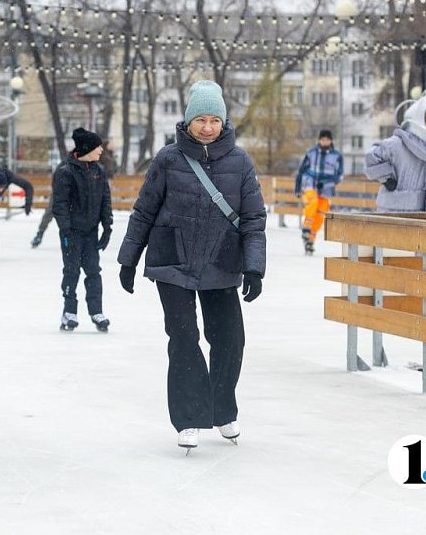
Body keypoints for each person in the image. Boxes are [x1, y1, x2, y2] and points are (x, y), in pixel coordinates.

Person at [117, 80, 266, 452]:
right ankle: (188, 416)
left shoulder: (240, 161)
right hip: (173, 261)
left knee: (230, 339)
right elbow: (145, 210)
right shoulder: (168, 159)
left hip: (221, 260)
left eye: (214, 119)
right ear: (188, 120)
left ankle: (221, 408)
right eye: (201, 119)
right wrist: (128, 259)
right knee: (184, 338)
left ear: (223, 122)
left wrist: (254, 267)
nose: (207, 127)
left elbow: (253, 219)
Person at [52, 127, 114, 332]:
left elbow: (106, 199)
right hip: (71, 233)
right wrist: (66, 230)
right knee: (71, 272)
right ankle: (68, 312)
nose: (101, 151)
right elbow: (60, 205)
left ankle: (96, 312)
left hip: (91, 232)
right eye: (98, 147)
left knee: (94, 272)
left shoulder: (98, 171)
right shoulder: (65, 172)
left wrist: (107, 227)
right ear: (87, 148)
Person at [364, 92, 426, 212]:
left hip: (416, 212)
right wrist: (386, 179)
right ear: (420, 115)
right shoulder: (396, 143)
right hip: (389, 211)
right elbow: (371, 158)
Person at [33, 140, 115, 248]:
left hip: (81, 194)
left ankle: (82, 240)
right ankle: (40, 234)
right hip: (63, 191)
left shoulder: (99, 159)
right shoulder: (69, 160)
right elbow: (57, 175)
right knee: (51, 211)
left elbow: (108, 171)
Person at [294, 129, 344, 255]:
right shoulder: (311, 153)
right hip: (310, 184)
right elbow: (301, 171)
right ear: (319, 140)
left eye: (327, 139)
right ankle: (306, 229)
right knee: (313, 202)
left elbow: (339, 176)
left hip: (326, 189)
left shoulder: (337, 156)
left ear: (331, 140)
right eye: (322, 139)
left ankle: (310, 241)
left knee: (320, 214)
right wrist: (298, 188)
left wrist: (327, 183)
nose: (325, 141)